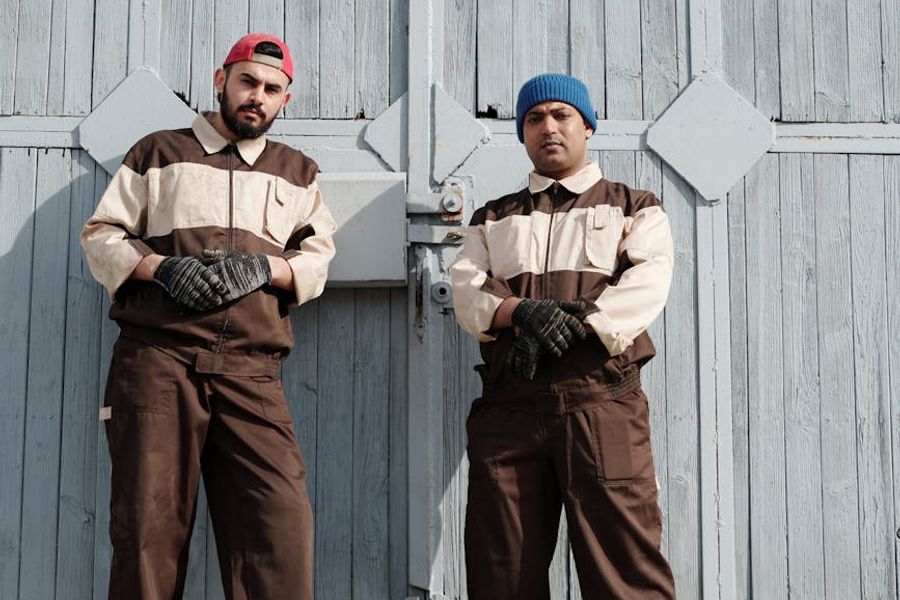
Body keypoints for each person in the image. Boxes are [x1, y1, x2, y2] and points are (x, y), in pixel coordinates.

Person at [81, 33, 336, 600]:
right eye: (248, 81)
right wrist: (158, 269)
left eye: (272, 89)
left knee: (278, 533)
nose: (257, 97)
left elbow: (317, 257)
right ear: (221, 81)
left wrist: (268, 270)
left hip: (253, 372)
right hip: (158, 362)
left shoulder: (298, 173)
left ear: (285, 101)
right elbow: (101, 235)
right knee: (147, 536)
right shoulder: (157, 153)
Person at [450, 73, 676, 599]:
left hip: (602, 406)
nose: (548, 127)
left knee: (626, 572)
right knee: (501, 572)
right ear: (522, 134)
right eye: (534, 119)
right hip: (510, 407)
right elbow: (466, 288)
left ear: (588, 125)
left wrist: (572, 324)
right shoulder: (493, 218)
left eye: (561, 115)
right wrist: (518, 312)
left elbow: (647, 281)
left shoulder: (633, 205)